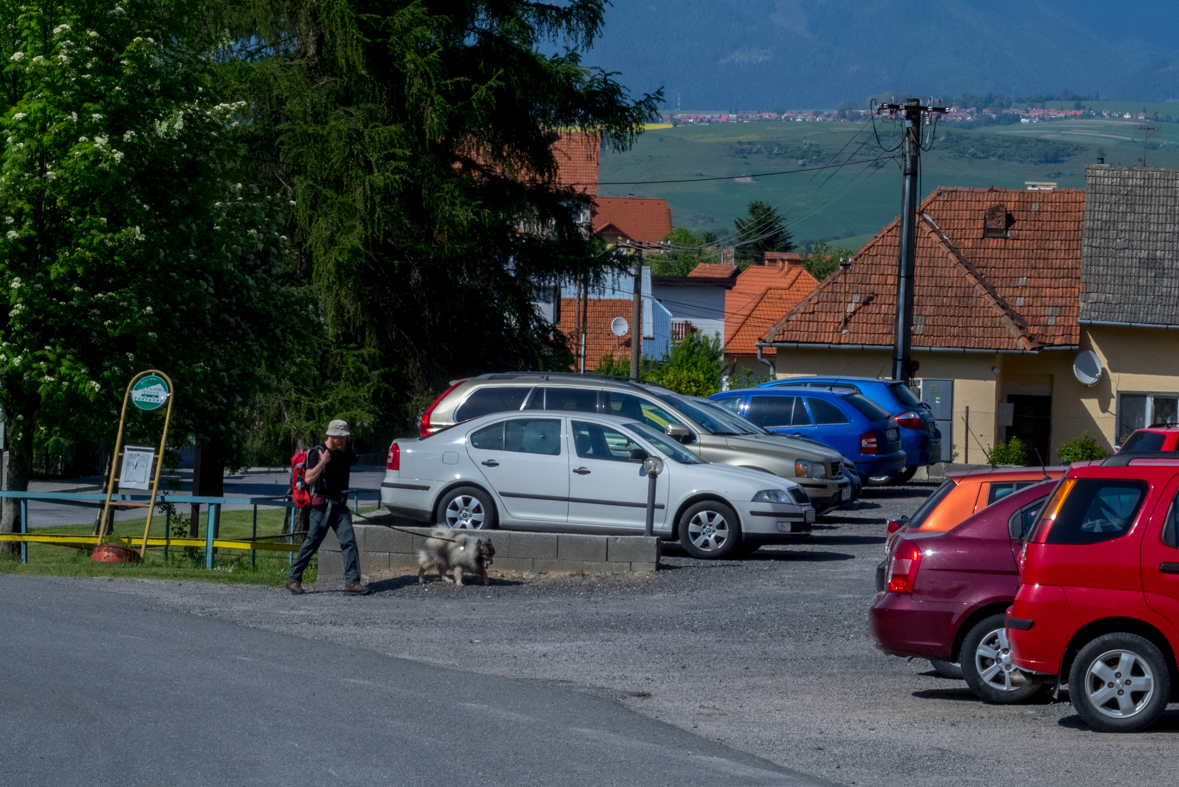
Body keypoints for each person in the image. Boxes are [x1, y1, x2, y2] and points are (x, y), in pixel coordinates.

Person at [286, 420, 370, 596]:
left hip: (339, 507)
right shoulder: (316, 453)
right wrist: (323, 462)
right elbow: (308, 479)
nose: (345, 440)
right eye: (343, 437)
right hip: (321, 509)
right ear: (333, 436)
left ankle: (352, 583)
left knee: (349, 541)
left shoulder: (341, 453)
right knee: (311, 543)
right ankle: (294, 579)